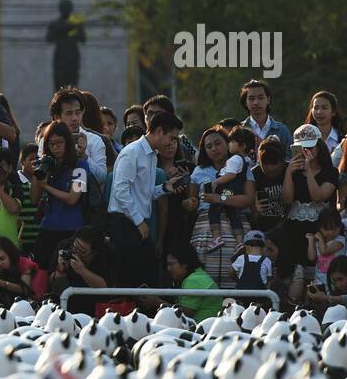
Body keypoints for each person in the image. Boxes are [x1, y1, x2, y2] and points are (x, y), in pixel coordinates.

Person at [107, 110, 183, 287]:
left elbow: (143, 192)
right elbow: (120, 191)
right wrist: (139, 221)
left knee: (146, 277)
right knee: (131, 280)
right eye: (171, 137)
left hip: (136, 223)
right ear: (158, 131)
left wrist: (165, 187)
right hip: (125, 224)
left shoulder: (151, 156)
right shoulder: (132, 152)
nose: (172, 143)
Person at [30, 121, 87, 270]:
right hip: (48, 227)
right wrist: (38, 175)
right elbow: (34, 199)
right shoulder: (46, 165)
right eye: (51, 144)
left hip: (71, 229)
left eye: (59, 143)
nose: (55, 147)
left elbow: (73, 198)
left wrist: (46, 186)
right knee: (40, 271)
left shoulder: (80, 166)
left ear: (67, 142)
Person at [204, 126, 255, 251]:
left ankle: (216, 237)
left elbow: (230, 175)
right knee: (234, 214)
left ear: (242, 145)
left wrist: (217, 183)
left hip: (227, 191)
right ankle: (239, 242)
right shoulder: (246, 161)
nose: (229, 144)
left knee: (214, 208)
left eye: (232, 142)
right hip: (234, 193)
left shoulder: (235, 159)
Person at [47, 226, 114, 315]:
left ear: (94, 253)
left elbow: (105, 289)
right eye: (75, 248)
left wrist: (82, 271)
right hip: (67, 302)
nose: (77, 253)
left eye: (82, 252)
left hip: (96, 305)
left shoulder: (106, 253)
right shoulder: (65, 246)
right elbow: (52, 284)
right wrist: (61, 270)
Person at [45, 88, 107, 184]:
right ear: (57, 116)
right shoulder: (46, 140)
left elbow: (102, 179)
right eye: (69, 113)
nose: (74, 118)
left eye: (78, 112)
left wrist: (84, 156)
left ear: (83, 112)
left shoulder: (94, 141)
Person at [164, 242, 221, 322]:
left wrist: (158, 303)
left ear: (184, 263)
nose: (168, 269)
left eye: (171, 264)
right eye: (167, 265)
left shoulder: (194, 280)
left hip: (202, 331)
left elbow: (184, 313)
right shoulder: (195, 275)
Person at [0, 235, 35, 309]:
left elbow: (25, 290)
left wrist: (2, 283)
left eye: (2, 259)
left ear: (10, 255)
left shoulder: (24, 264)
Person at [246, 138, 287, 234]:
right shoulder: (253, 174)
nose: (270, 168)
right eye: (264, 163)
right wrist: (252, 205)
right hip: (261, 229)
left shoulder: (290, 170)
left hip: (288, 228)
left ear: (283, 161)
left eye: (274, 163)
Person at [240, 78, 293, 150]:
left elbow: (290, 159)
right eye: (251, 99)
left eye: (260, 97)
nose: (256, 102)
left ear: (268, 100)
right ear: (246, 102)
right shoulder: (239, 130)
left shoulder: (282, 130)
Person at [46, 0, 85, 90]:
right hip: (59, 60)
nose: (66, 10)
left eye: (68, 8)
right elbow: (49, 38)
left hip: (73, 59)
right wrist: (62, 29)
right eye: (64, 8)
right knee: (59, 88)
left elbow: (83, 38)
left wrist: (70, 29)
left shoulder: (76, 24)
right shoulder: (55, 24)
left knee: (73, 88)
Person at [306, 208, 346, 287]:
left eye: (334, 229)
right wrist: (311, 240)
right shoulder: (319, 241)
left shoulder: (340, 240)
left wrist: (320, 238)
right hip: (318, 279)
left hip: (334, 283)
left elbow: (324, 251)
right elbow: (311, 257)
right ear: (321, 228)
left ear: (340, 227)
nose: (331, 232)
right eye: (327, 229)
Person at [304, 91, 344, 156]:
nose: (319, 112)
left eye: (324, 108)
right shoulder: (304, 137)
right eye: (316, 108)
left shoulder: (342, 138)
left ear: (333, 112)